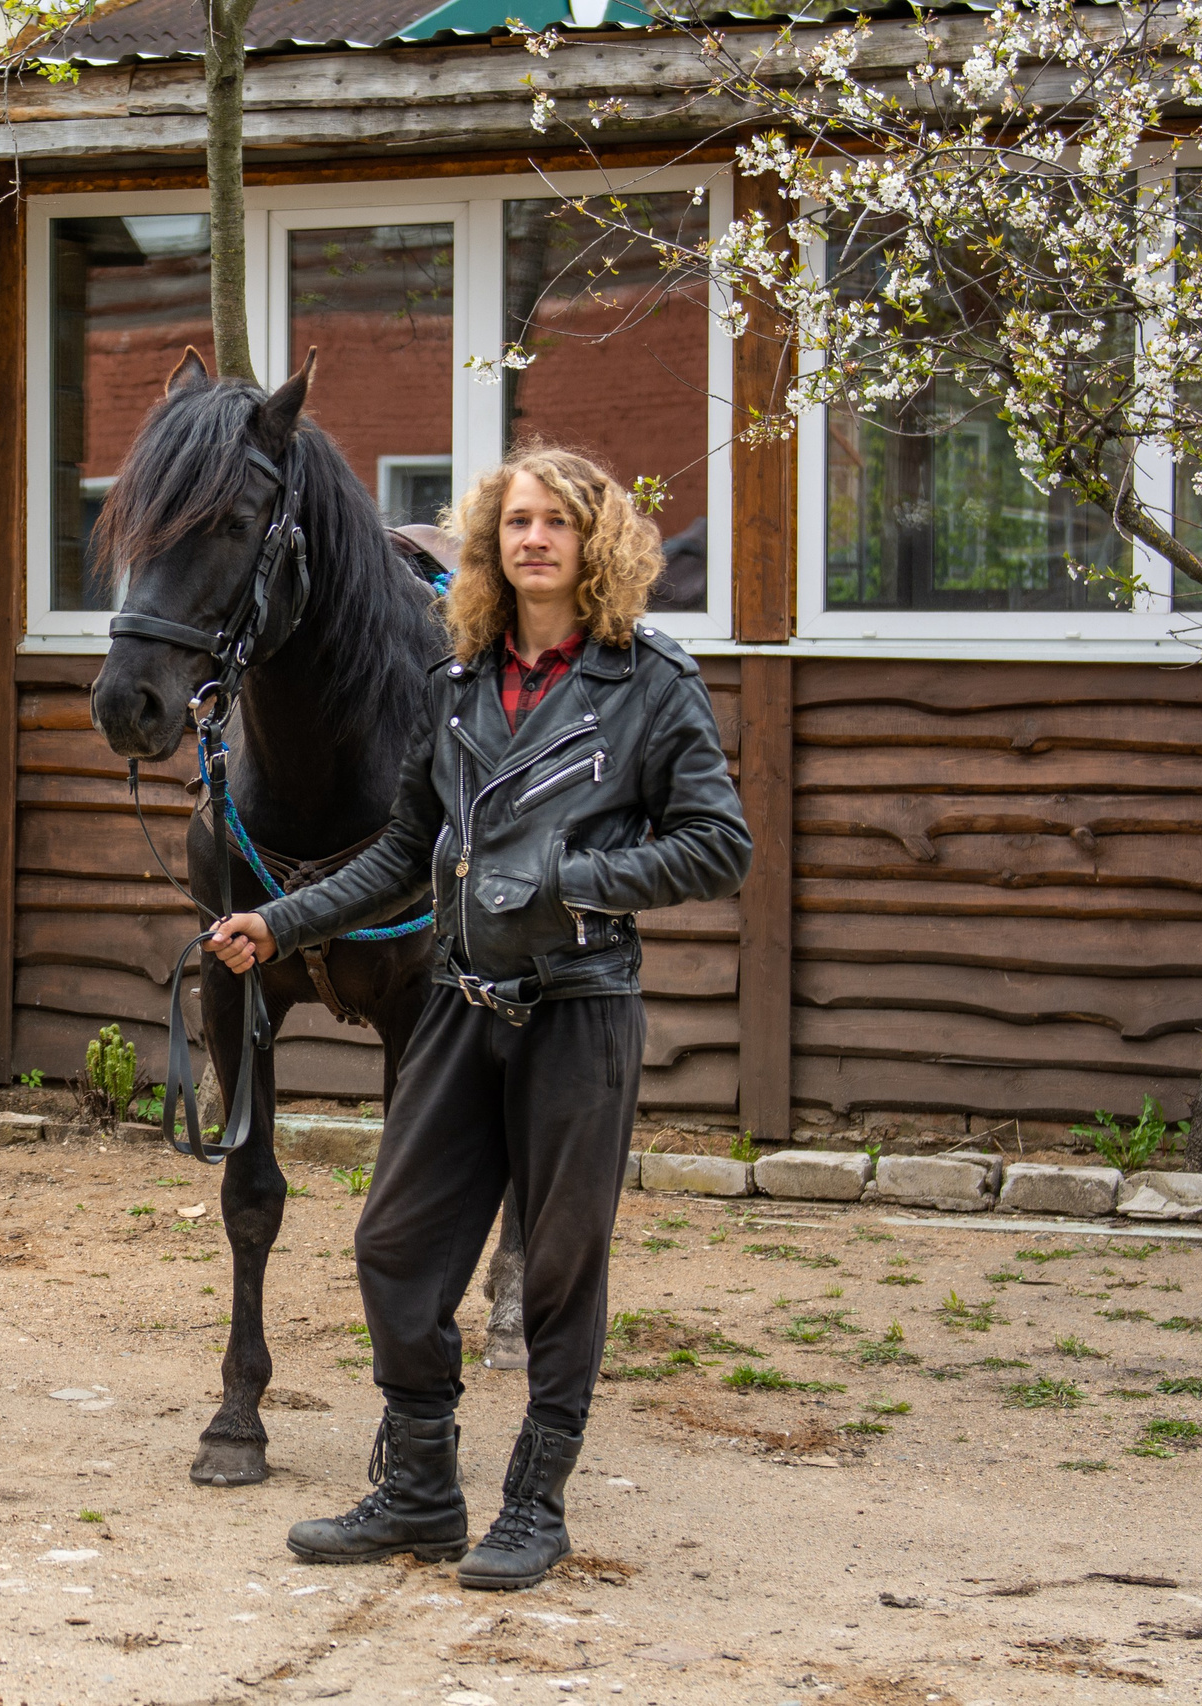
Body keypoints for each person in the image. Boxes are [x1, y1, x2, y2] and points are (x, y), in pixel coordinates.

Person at [206, 447, 750, 1589]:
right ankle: (419, 1492)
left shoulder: (649, 681)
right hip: (460, 1000)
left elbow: (718, 844)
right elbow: (406, 851)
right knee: (394, 1248)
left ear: (593, 543)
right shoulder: (453, 686)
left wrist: (572, 877)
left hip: (577, 1011)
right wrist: (281, 921)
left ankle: (535, 1504)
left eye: (555, 521)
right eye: (513, 522)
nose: (532, 539)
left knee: (557, 1267)